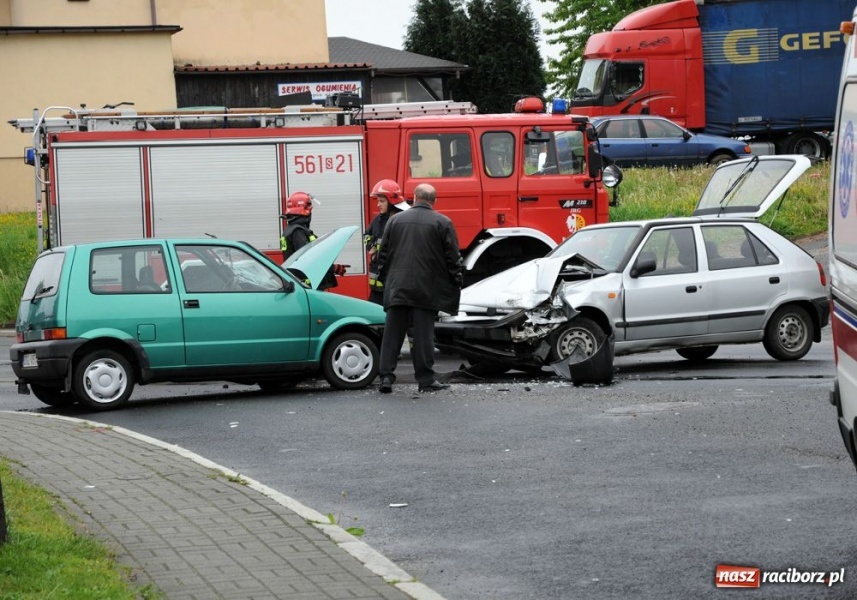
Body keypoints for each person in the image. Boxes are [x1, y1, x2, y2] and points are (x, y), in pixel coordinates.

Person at [376, 183, 463, 393]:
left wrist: (387, 279)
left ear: (414, 197)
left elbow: (383, 254)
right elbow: (453, 258)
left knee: (392, 335)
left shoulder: (395, 220)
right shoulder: (443, 222)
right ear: (434, 200)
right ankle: (425, 380)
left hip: (398, 286)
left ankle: (386, 377)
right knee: (424, 336)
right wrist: (456, 281)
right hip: (426, 288)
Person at [280, 191, 343, 290]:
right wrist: (333, 268)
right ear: (304, 210)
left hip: (301, 281)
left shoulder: (292, 229)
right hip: (306, 283)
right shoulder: (298, 231)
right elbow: (309, 257)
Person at [364, 179, 410, 305]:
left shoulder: (402, 220)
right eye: (378, 201)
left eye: (382, 201)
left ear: (391, 201)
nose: (378, 204)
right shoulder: (378, 220)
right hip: (378, 286)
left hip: (394, 284)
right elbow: (366, 235)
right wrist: (371, 247)